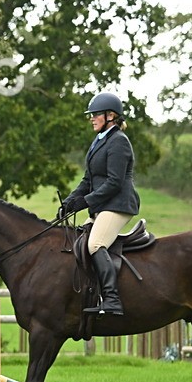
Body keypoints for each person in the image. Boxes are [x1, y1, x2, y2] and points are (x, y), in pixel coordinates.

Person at [60, 91, 140, 316]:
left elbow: (114, 183)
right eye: (91, 115)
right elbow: (88, 180)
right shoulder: (99, 142)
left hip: (118, 205)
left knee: (95, 245)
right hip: (103, 206)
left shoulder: (119, 142)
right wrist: (69, 202)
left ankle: (113, 300)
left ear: (111, 116)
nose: (91, 118)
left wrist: (85, 202)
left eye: (95, 114)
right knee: (79, 240)